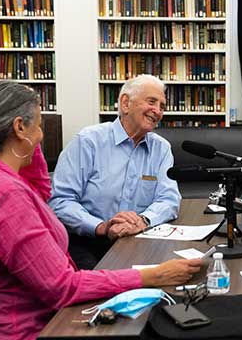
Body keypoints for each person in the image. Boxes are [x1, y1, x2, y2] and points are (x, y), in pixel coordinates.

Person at [0, 82, 201, 340]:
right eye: (39, 125)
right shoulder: (5, 196)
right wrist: (152, 276)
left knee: (142, 338)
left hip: (23, 330)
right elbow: (63, 287)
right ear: (20, 127)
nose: (42, 135)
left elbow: (42, 192)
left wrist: (28, 149)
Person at [49, 74, 181, 269]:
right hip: (88, 240)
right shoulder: (88, 141)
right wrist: (101, 227)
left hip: (138, 237)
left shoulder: (161, 149)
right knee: (100, 291)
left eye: (162, 106)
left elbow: (168, 199)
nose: (158, 111)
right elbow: (60, 201)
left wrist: (143, 220)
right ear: (125, 103)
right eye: (151, 102)